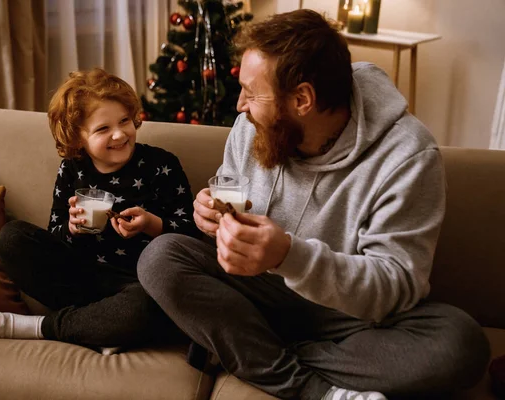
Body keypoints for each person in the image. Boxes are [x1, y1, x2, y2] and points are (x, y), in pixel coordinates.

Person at [137, 9, 490, 400]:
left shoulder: (408, 155)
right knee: (160, 257)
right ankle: (316, 390)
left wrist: (290, 256)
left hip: (347, 318)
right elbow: (230, 193)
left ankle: (250, 349)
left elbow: (396, 286)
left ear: (302, 99)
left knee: (460, 346)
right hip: (257, 292)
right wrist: (211, 217)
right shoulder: (251, 126)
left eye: (252, 94)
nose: (240, 105)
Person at [0, 68, 198, 353]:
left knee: (149, 305)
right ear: (78, 138)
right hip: (82, 279)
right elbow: (55, 234)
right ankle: (99, 326)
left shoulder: (161, 165)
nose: (119, 133)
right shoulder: (72, 169)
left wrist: (151, 224)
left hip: (138, 283)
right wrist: (72, 228)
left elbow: (192, 235)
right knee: (11, 238)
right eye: (103, 129)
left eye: (124, 120)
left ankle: (50, 326)